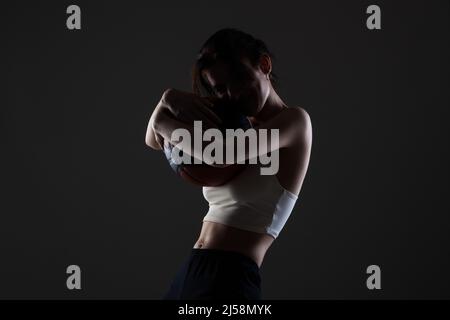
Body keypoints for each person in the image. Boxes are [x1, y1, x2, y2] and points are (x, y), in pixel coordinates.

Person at [145, 28, 312, 300]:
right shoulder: (232, 125)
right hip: (194, 268)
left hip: (230, 277)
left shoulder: (294, 122)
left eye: (239, 78)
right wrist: (167, 99)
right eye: (220, 88)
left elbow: (221, 154)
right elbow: (152, 140)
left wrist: (163, 119)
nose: (233, 94)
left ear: (264, 65)